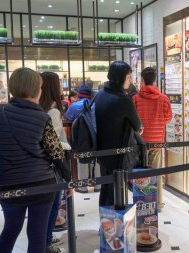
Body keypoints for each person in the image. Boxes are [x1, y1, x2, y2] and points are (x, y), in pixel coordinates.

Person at [0, 67, 66, 253]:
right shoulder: (42, 117)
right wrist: (68, 177)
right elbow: (56, 153)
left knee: (10, 229)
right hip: (42, 184)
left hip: (9, 184)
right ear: (35, 89)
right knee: (37, 234)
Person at [95, 61, 142, 206]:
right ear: (121, 78)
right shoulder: (123, 100)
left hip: (102, 151)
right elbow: (138, 125)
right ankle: (115, 225)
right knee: (116, 190)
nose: (130, 80)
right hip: (119, 153)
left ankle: (106, 224)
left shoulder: (100, 94)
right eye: (128, 77)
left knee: (106, 187)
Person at [40, 72, 71, 253]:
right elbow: (54, 143)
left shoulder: (39, 108)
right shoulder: (52, 110)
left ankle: (44, 240)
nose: (61, 87)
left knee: (45, 207)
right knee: (52, 206)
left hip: (41, 166)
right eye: (59, 83)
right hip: (53, 166)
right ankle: (46, 243)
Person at [133, 67, 172, 211]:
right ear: (154, 79)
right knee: (156, 172)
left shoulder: (136, 98)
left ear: (142, 80)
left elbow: (133, 120)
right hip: (157, 141)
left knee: (141, 172)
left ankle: (142, 203)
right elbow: (168, 119)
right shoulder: (163, 98)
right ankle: (158, 204)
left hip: (141, 142)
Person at [64, 83, 100, 193]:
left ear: (79, 95)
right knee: (97, 160)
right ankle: (98, 186)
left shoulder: (74, 106)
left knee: (82, 161)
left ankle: (82, 187)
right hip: (96, 136)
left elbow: (67, 118)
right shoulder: (97, 105)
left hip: (82, 137)